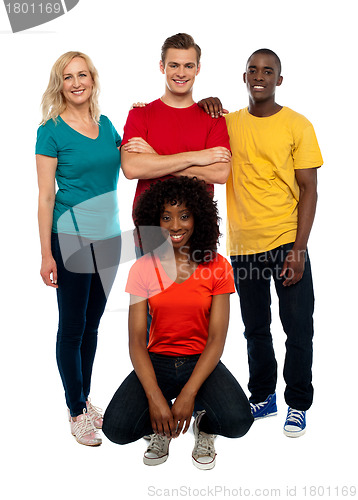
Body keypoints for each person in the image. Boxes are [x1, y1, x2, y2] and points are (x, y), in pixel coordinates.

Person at [198, 49, 323, 437]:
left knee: (298, 327)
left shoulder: (297, 125)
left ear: (278, 80)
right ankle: (264, 396)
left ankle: (298, 403)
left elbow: (309, 190)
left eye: (268, 71)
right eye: (253, 70)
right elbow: (199, 123)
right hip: (244, 245)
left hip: (286, 241)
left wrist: (299, 249)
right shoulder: (230, 123)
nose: (260, 76)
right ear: (244, 77)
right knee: (255, 328)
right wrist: (205, 105)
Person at [102, 176, 253, 469]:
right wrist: (156, 398)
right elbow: (136, 339)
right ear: (155, 221)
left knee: (238, 422)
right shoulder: (143, 267)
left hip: (200, 361)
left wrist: (188, 395)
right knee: (116, 430)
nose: (175, 225)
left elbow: (216, 339)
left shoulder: (217, 266)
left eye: (184, 216)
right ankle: (161, 427)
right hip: (157, 360)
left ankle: (204, 425)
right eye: (166, 217)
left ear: (198, 218)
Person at [36, 51, 122, 446]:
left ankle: (84, 400)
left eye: (82, 75)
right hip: (69, 237)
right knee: (71, 327)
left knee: (92, 325)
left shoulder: (106, 126)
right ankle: (75, 410)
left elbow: (132, 159)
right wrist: (45, 253)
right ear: (60, 84)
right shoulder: (50, 130)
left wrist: (143, 113)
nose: (76, 83)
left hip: (108, 237)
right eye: (68, 77)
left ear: (92, 79)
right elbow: (45, 197)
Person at [120, 32, 232, 214]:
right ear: (162, 66)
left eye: (188, 66)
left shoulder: (214, 119)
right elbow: (132, 168)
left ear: (198, 69)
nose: (181, 73)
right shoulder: (139, 115)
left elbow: (219, 174)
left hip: (200, 228)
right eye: (174, 65)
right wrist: (196, 157)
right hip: (150, 227)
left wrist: (155, 157)